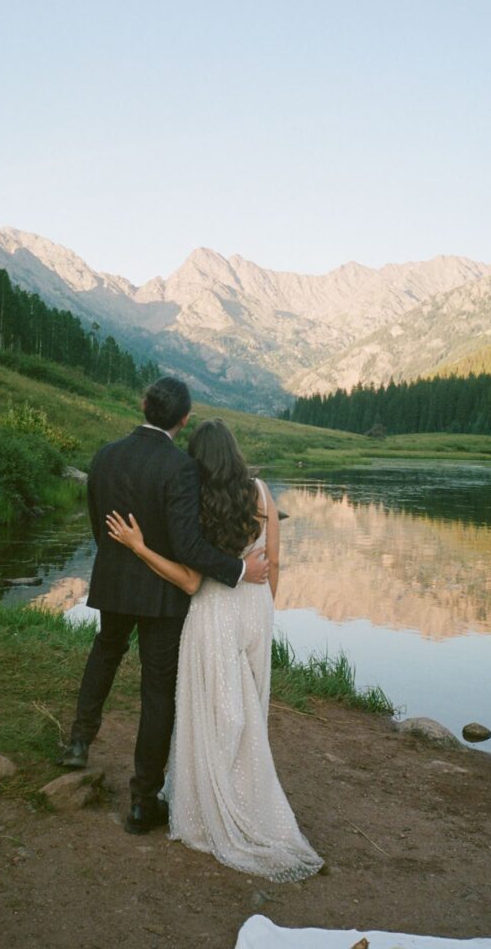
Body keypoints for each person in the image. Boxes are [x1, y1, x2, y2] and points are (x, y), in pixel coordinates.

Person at [106, 419, 323, 882]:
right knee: (247, 710)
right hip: (257, 610)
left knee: (214, 710)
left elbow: (188, 580)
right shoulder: (263, 493)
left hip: (214, 613)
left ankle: (212, 803)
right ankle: (247, 791)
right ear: (235, 452)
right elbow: (276, 561)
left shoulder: (197, 503)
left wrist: (139, 547)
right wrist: (264, 610)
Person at [57, 378, 269, 837]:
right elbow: (190, 546)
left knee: (105, 652)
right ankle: (141, 801)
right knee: (157, 692)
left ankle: (77, 742)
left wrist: (119, 562)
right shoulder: (181, 468)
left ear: (143, 405)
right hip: (163, 595)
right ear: (184, 419)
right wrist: (237, 570)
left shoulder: (105, 455)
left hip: (114, 581)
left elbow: (99, 524)